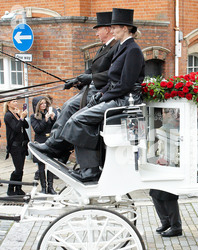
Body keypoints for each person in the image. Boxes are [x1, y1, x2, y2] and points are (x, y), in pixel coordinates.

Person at [34, 8, 145, 183]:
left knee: (78, 120)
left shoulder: (133, 50)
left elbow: (125, 84)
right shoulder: (121, 48)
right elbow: (111, 79)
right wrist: (101, 93)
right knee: (76, 116)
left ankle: (90, 169)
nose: (112, 29)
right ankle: (80, 163)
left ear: (124, 28)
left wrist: (103, 96)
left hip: (124, 100)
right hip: (114, 96)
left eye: (114, 27)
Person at [33, 11, 118, 162]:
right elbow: (92, 70)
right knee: (67, 105)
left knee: (70, 106)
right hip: (92, 88)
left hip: (101, 91)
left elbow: (113, 74)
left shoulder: (116, 47)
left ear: (108, 29)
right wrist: (77, 80)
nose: (96, 33)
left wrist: (90, 78)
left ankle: (55, 145)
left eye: (98, 29)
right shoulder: (103, 48)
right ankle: (58, 145)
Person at [30, 96, 57, 194]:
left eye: (45, 103)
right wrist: (45, 120)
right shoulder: (34, 116)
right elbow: (37, 129)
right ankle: (44, 188)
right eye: (41, 103)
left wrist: (53, 118)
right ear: (37, 105)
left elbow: (55, 126)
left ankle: (51, 187)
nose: (44, 105)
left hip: (50, 141)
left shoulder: (49, 113)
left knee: (51, 165)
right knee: (41, 166)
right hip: (40, 142)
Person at [4, 98, 29, 196]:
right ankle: (10, 189)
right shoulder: (8, 115)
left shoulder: (16, 113)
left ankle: (18, 188)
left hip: (22, 145)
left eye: (16, 101)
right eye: (13, 101)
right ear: (8, 103)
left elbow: (26, 126)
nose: (16, 103)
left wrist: (21, 116)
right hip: (15, 146)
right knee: (18, 169)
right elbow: (16, 129)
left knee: (21, 169)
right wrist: (21, 118)